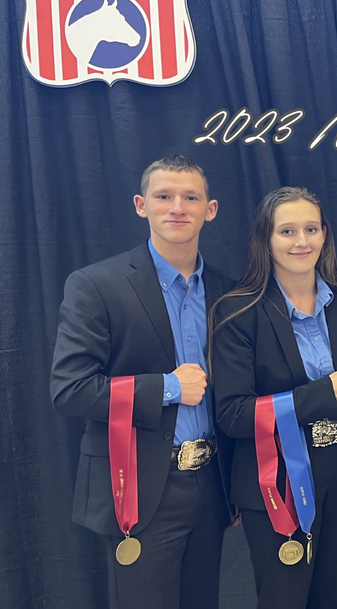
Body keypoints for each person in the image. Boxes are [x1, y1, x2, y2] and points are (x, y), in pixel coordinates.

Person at [50, 155, 235, 609]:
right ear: (141, 205)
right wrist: (169, 388)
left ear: (210, 210)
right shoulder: (96, 285)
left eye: (191, 197)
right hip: (139, 487)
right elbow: (70, 390)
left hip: (212, 484)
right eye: (164, 196)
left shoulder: (230, 291)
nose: (178, 207)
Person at [209, 187, 337, 609]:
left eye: (311, 229)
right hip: (276, 481)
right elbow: (233, 414)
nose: (301, 241)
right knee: (283, 599)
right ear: (265, 239)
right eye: (287, 231)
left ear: (325, 234)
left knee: (333, 597)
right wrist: (325, 393)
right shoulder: (237, 311)